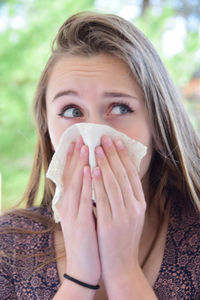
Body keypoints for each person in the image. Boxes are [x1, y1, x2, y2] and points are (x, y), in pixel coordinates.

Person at [0, 11, 199, 300]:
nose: (94, 134)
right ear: (47, 129)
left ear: (158, 124)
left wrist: (123, 272)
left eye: (119, 108)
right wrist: (80, 276)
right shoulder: (9, 246)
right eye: (72, 111)